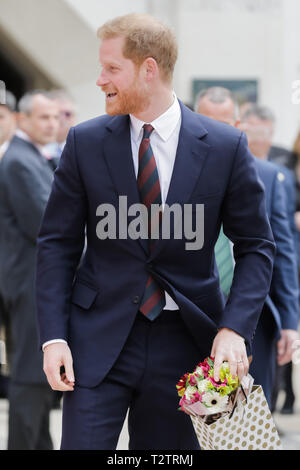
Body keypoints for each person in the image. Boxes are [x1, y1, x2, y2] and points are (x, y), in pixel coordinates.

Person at [37, 13, 275, 450]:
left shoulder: (225, 147)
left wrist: (235, 328)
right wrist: (53, 337)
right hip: (96, 340)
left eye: (111, 69)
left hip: (186, 344)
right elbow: (57, 245)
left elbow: (257, 247)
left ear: (149, 69)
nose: (99, 80)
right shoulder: (84, 143)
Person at [196, 88, 300, 405]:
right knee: (198, 412)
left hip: (255, 317)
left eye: (224, 123)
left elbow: (281, 250)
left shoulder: (268, 176)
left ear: (238, 123)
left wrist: (290, 322)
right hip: (194, 310)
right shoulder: (177, 172)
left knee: (245, 416)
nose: (214, 131)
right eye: (206, 122)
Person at [0, 90, 59, 449]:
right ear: (22, 120)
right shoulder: (20, 162)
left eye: (55, 117)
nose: (52, 124)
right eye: (43, 118)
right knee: (29, 376)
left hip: (32, 281)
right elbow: (47, 224)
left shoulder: (33, 157)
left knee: (36, 377)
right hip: (30, 283)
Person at [45, 89, 77, 169]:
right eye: (57, 113)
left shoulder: (82, 147)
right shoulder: (38, 147)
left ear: (75, 117)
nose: (62, 119)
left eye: (67, 114)